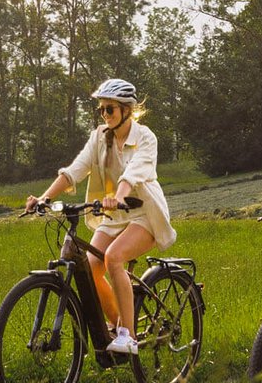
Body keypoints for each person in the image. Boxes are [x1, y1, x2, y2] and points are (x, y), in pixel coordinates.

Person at [27, 78, 175, 355]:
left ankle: (128, 336)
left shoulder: (145, 137)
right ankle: (117, 322)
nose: (105, 115)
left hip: (144, 212)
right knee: (90, 268)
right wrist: (45, 198)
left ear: (127, 110)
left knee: (114, 258)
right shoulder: (99, 137)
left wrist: (118, 196)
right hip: (113, 214)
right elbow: (75, 170)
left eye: (111, 110)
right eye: (102, 110)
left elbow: (133, 173)